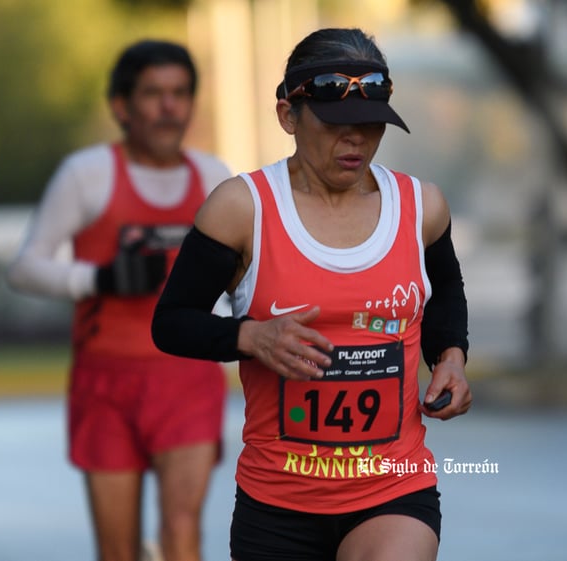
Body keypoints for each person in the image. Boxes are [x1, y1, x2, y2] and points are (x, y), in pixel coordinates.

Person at [151, 27, 472, 561]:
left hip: (393, 487)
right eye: (336, 125)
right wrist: (251, 336)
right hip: (277, 501)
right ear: (288, 117)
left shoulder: (422, 208)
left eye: (372, 126)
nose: (357, 142)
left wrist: (453, 358)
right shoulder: (242, 209)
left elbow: (446, 293)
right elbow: (172, 322)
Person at [7, 39, 232, 561]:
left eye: (180, 93)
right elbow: (24, 267)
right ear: (120, 106)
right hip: (105, 383)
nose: (169, 107)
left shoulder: (214, 177)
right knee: (118, 551)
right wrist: (99, 279)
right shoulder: (87, 174)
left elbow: (250, 275)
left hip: (187, 380)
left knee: (181, 532)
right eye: (153, 93)